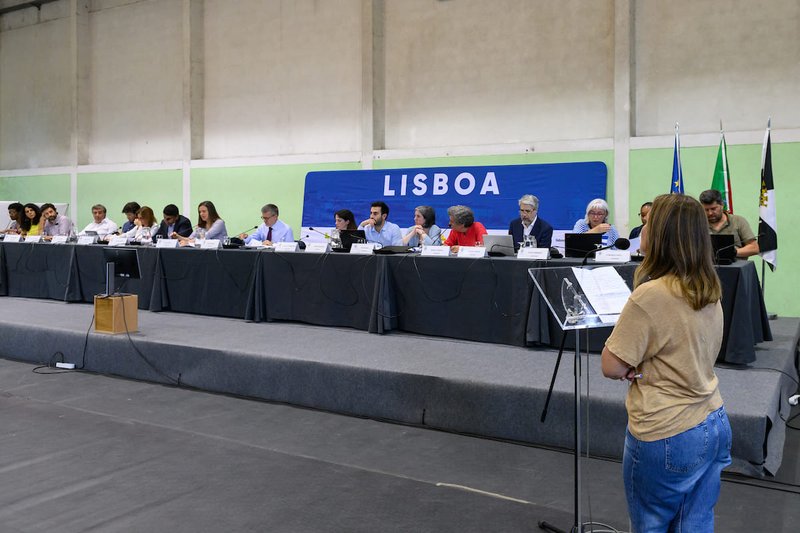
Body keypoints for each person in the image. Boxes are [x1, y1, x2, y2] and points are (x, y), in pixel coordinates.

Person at [601, 194, 731, 533]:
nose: (642, 229)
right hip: (713, 419)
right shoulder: (707, 287)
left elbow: (612, 366)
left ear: (660, 234)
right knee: (696, 522)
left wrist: (636, 365)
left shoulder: (651, 295)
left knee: (650, 525)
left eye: (647, 223)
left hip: (667, 430)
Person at [699, 189, 759, 258]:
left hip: (735, 266)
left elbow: (754, 248)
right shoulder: (698, 223)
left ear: (722, 205)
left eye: (713, 209)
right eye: (706, 210)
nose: (710, 213)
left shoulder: (738, 221)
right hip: (707, 266)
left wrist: (733, 252)